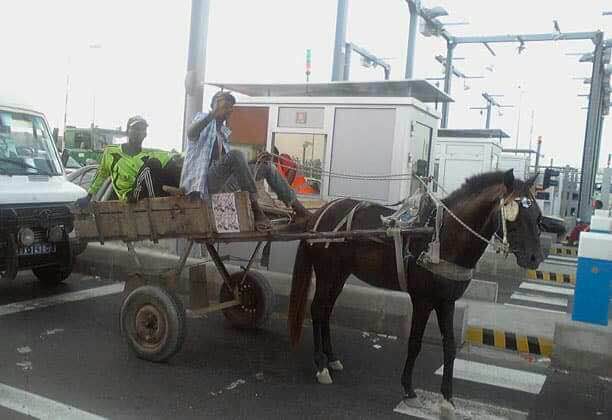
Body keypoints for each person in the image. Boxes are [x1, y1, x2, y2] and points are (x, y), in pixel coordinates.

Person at [180, 91, 311, 231]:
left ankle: (299, 209)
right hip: (204, 184)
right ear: (214, 105)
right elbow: (191, 133)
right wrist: (213, 113)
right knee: (236, 155)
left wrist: (255, 161)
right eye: (224, 106)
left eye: (230, 108)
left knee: (266, 166)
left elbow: (234, 166)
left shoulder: (222, 133)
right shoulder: (202, 119)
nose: (228, 111)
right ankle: (256, 209)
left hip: (221, 185)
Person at [76, 116, 180, 207]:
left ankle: (181, 194)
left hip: (145, 193)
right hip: (130, 197)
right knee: (152, 164)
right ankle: (153, 202)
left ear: (145, 134)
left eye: (142, 130)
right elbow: (102, 174)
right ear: (127, 131)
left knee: (168, 165)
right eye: (135, 129)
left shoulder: (149, 153)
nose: (138, 132)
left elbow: (174, 159)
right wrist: (89, 196)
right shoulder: (111, 152)